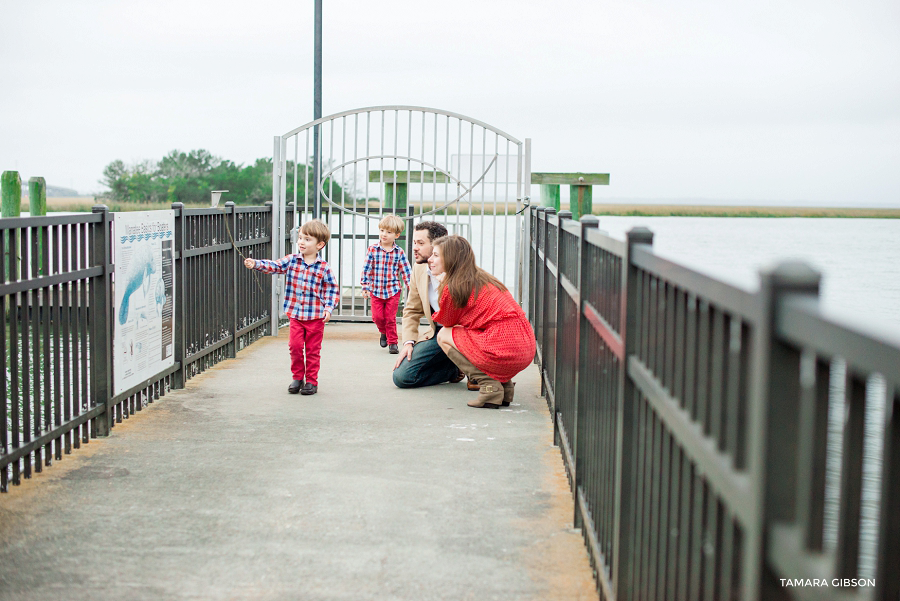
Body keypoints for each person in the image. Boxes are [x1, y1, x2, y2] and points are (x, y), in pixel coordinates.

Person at [429, 235, 536, 409]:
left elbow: (446, 321)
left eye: (435, 255)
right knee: (479, 331)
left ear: (450, 259)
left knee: (444, 335)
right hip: (525, 346)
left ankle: (489, 387)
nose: (430, 259)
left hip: (504, 348)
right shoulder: (484, 278)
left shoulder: (453, 286)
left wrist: (442, 286)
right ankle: (504, 387)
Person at [243, 219, 339, 396]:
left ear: (320, 244)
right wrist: (256, 264)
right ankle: (297, 377)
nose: (301, 242)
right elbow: (275, 266)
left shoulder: (324, 268)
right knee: (295, 347)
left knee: (312, 350)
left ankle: (311, 381)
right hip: (295, 314)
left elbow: (332, 290)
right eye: (300, 237)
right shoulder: (292, 260)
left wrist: (328, 308)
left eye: (307, 239)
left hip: (315, 317)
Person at [392, 221, 472, 389]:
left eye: (421, 243)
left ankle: (469, 364)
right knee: (402, 377)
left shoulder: (459, 270)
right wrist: (408, 342)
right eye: (414, 242)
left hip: (465, 335)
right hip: (438, 334)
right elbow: (412, 310)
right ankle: (452, 370)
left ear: (439, 245)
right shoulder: (419, 268)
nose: (415, 248)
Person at [360, 214, 412, 354]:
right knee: (377, 317)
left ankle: (393, 343)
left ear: (396, 235)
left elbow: (406, 271)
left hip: (393, 291)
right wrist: (365, 286)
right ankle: (383, 332)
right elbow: (366, 269)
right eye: (382, 231)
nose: (384, 234)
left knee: (390, 318)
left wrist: (411, 287)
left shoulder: (399, 252)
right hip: (376, 290)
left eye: (388, 232)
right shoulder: (373, 249)